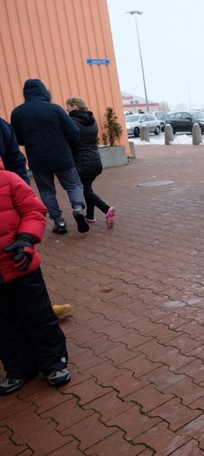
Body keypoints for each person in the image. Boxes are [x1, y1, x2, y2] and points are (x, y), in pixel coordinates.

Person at [0, 157, 71, 395]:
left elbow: (34, 211)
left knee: (38, 317)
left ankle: (54, 363)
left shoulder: (9, 180)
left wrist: (26, 238)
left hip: (21, 265)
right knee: (4, 326)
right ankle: (18, 368)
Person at [11, 79, 88, 234]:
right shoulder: (55, 109)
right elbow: (74, 132)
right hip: (62, 156)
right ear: (44, 91)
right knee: (73, 185)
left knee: (47, 191)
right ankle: (78, 208)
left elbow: (18, 139)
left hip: (38, 159)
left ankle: (59, 222)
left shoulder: (17, 112)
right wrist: (66, 144)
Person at [65, 97, 116, 228]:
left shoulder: (71, 121)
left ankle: (106, 209)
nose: (66, 109)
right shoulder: (92, 120)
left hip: (80, 161)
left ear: (74, 106)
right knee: (88, 188)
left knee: (84, 190)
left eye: (68, 106)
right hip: (94, 160)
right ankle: (90, 216)